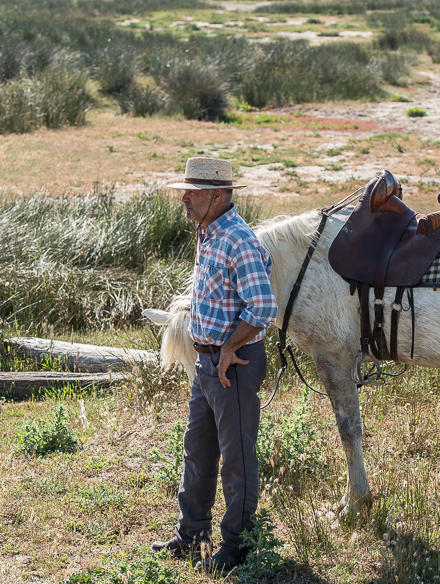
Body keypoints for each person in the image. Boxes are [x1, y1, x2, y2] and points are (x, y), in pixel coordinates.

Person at [152, 157, 278, 572]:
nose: (184, 199)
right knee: (197, 449)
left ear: (218, 196)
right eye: (184, 192)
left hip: (233, 364)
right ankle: (190, 536)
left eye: (193, 193)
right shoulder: (207, 233)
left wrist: (227, 349)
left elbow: (263, 307)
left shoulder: (238, 240)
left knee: (236, 457)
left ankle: (237, 547)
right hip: (209, 363)